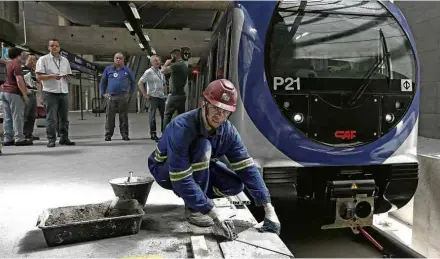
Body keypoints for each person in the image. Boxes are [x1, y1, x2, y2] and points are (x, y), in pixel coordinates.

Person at [147, 79, 281, 240]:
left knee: (236, 185)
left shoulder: (228, 131)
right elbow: (180, 177)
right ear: (204, 104)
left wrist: (268, 208)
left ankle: (199, 198)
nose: (220, 116)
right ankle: (194, 209)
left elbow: (247, 167)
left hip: (195, 165)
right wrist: (212, 212)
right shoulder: (182, 127)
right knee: (203, 147)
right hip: (165, 170)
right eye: (216, 108)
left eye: (225, 111)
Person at [36, 39, 75, 148]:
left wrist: (67, 77)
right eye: (52, 45)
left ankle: (64, 137)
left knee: (64, 118)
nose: (54, 47)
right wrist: (53, 76)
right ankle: (51, 139)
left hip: (63, 91)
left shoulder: (65, 61)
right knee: (51, 118)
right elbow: (39, 76)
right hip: (50, 92)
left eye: (56, 46)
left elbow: (69, 75)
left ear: (59, 47)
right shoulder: (43, 60)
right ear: (48, 47)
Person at [0, 47, 33, 146]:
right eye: (22, 53)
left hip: (4, 92)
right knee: (17, 116)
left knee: (7, 117)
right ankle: (19, 139)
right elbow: (19, 80)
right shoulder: (16, 65)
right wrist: (25, 95)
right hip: (14, 93)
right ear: (18, 54)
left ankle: (8, 138)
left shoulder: (8, 64)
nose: (24, 55)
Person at [100, 52, 136, 141]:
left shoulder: (127, 70)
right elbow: (103, 82)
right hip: (111, 97)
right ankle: (108, 134)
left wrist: (130, 93)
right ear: (114, 59)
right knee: (110, 117)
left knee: (123, 116)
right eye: (116, 58)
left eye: (120, 58)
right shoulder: (108, 69)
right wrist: (103, 93)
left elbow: (133, 82)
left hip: (123, 96)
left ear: (123, 60)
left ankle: (124, 134)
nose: (118, 60)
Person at [138, 55, 167, 142]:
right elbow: (140, 82)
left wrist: (166, 94)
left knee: (164, 116)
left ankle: (164, 132)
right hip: (153, 96)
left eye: (158, 60)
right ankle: (153, 133)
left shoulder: (161, 72)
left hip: (161, 96)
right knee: (152, 116)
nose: (157, 62)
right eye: (155, 61)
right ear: (151, 62)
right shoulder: (148, 72)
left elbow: (164, 84)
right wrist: (144, 94)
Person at [161, 49, 189, 128]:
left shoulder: (176, 65)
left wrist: (166, 63)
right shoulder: (184, 65)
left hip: (175, 95)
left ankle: (165, 135)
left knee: (167, 114)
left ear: (174, 56)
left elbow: (163, 71)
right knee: (180, 116)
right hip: (182, 94)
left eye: (171, 57)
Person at [22, 54, 41, 141]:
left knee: (33, 115)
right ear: (26, 60)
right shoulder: (22, 69)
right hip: (27, 94)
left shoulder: (33, 71)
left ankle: (29, 134)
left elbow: (38, 82)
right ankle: (23, 134)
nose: (33, 61)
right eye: (31, 59)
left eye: (34, 60)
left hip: (33, 94)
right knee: (25, 114)